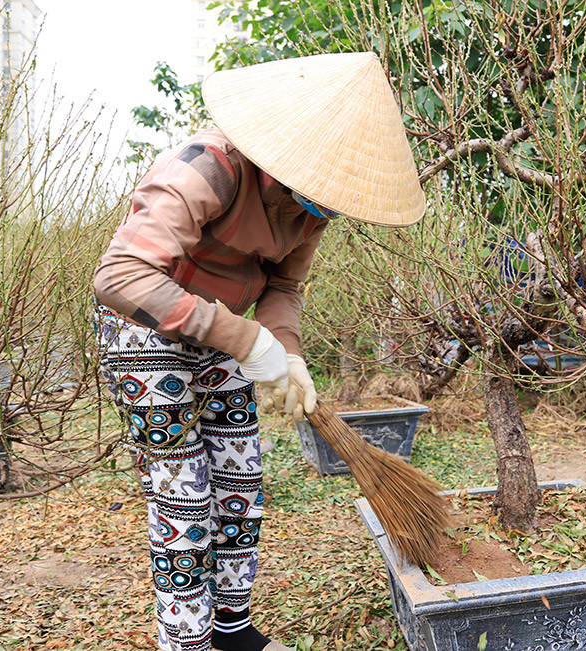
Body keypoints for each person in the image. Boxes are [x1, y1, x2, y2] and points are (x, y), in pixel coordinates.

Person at [93, 52, 425, 651]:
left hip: (220, 331)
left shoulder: (312, 208)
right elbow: (121, 276)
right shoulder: (207, 167)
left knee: (241, 482)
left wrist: (286, 353)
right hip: (146, 330)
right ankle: (187, 642)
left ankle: (231, 631)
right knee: (185, 496)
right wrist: (248, 341)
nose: (321, 211)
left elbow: (284, 286)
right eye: (319, 193)